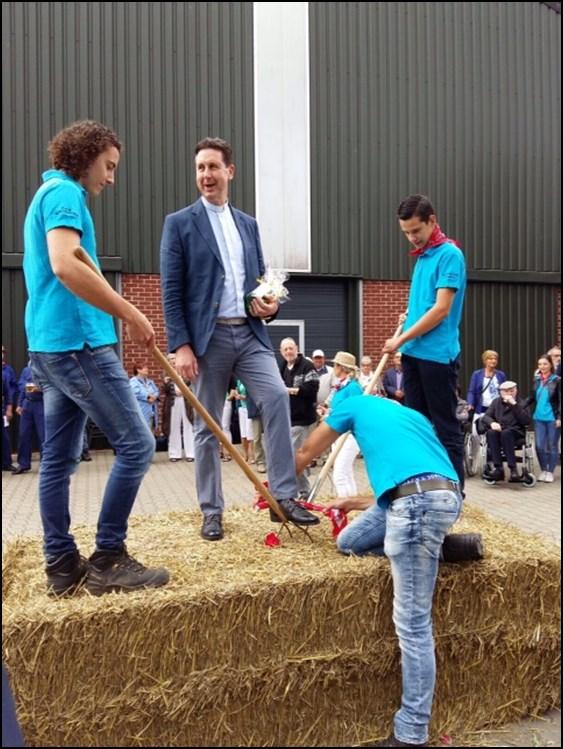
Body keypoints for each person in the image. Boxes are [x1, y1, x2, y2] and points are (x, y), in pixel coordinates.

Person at [22, 120, 169, 596]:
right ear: (85, 158)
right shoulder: (65, 196)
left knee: (59, 461)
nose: (111, 177)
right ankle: (108, 557)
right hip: (78, 344)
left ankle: (61, 566)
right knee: (137, 445)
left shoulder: (50, 195)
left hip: (49, 345)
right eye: (109, 166)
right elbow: (65, 264)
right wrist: (129, 312)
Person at [160, 136, 318, 540]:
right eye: (200, 168)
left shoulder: (248, 224)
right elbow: (171, 290)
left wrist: (270, 305)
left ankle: (282, 497)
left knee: (277, 397)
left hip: (249, 335)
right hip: (206, 340)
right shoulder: (179, 224)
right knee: (209, 425)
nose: (206, 175)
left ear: (229, 171)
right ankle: (212, 511)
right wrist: (181, 345)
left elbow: (259, 282)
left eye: (213, 167)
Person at [295, 395, 463, 748]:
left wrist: (272, 487)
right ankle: (438, 549)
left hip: (414, 506)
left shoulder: (351, 404)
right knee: (349, 541)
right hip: (442, 498)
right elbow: (409, 483)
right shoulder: (410, 414)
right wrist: (351, 503)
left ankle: (412, 733)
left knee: (414, 625)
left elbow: (306, 450)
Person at [383, 194, 466, 487]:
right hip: (413, 353)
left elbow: (441, 309)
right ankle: (419, 485)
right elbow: (425, 303)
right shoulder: (422, 258)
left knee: (445, 426)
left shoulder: (449, 254)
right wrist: (409, 315)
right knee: (414, 426)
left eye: (416, 231)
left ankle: (455, 491)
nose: (411, 238)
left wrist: (400, 339)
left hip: (437, 356)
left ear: (432, 221)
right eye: (406, 232)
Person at [279, 338, 319, 497]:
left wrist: (292, 390)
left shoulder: (306, 366)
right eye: (285, 349)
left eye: (291, 348)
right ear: (281, 352)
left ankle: (301, 490)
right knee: (294, 455)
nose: (288, 352)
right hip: (287, 418)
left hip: (302, 419)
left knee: (293, 455)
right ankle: (301, 488)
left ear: (296, 348)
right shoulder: (282, 367)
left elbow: (313, 388)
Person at [322, 352, 363, 497]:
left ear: (341, 367)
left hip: (349, 435)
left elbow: (357, 410)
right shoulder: (341, 386)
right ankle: (352, 501)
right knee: (346, 472)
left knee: (339, 474)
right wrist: (327, 412)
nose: (333, 367)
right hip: (339, 433)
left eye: (335, 365)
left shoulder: (353, 387)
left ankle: (343, 506)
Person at [480, 381, 531, 482]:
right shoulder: (496, 402)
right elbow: (486, 416)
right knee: (491, 432)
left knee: (506, 433)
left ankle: (513, 470)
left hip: (516, 432)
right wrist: (492, 423)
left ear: (516, 391)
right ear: (500, 393)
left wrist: (514, 405)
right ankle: (498, 469)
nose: (509, 394)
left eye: (511, 391)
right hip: (499, 431)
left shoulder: (522, 403)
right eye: (505, 392)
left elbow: (526, 421)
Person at [527, 354, 560, 483]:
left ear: (550, 365)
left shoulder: (557, 380)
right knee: (539, 445)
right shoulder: (537, 380)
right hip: (539, 417)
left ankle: (550, 471)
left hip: (552, 418)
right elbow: (531, 398)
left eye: (545, 364)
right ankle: (543, 470)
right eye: (540, 364)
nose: (542, 367)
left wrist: (560, 417)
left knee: (552, 445)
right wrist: (516, 405)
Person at [13, 359, 45, 474]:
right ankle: (23, 464)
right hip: (27, 404)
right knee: (23, 434)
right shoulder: (26, 370)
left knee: (43, 436)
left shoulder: (45, 369)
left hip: (41, 404)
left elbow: (52, 387)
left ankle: (45, 465)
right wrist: (19, 404)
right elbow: (22, 388)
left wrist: (39, 388)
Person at [466, 349, 507, 419]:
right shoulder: (477, 374)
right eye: (490, 359)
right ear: (485, 360)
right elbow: (471, 391)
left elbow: (505, 391)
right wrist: (470, 403)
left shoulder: (501, 375)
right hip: (481, 409)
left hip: (497, 410)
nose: (493, 361)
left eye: (495, 359)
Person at [130, 364, 160, 431]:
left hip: (152, 412)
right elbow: (135, 392)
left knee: (152, 432)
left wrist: (154, 397)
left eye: (147, 367)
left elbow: (156, 391)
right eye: (144, 368)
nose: (147, 369)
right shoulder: (133, 381)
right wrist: (148, 397)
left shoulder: (150, 381)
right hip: (142, 411)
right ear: (138, 370)